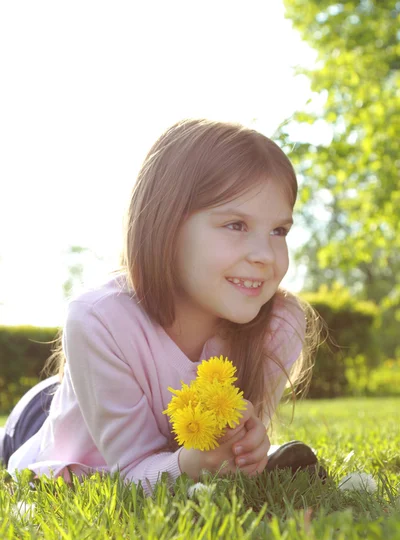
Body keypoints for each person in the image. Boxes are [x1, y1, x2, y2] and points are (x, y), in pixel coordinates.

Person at [1, 118, 324, 495]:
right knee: (37, 412)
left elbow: (231, 452)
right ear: (165, 224)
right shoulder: (98, 318)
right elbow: (130, 472)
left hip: (99, 394)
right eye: (235, 225)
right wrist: (189, 466)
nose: (265, 256)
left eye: (278, 231)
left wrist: (246, 446)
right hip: (46, 426)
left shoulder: (279, 325)